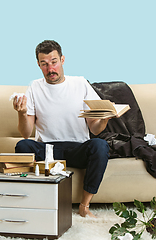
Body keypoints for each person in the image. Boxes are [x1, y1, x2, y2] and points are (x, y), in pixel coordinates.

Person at [13, 40, 110, 217]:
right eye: (44, 64)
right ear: (39, 65)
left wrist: (104, 119)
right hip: (48, 150)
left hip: (78, 148)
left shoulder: (80, 83)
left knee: (100, 145)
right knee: (22, 146)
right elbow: (26, 133)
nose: (50, 69)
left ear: (62, 60)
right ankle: (30, 202)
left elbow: (95, 130)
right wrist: (21, 112)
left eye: (54, 62)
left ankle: (84, 206)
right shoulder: (34, 87)